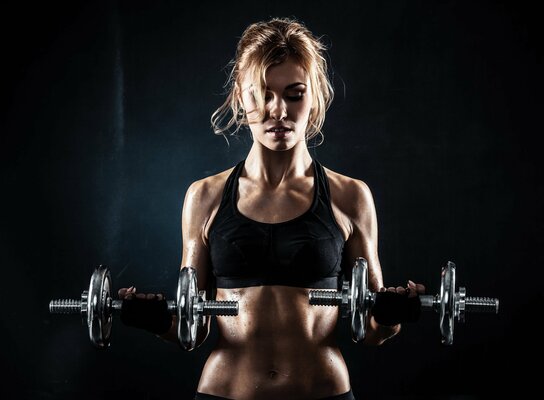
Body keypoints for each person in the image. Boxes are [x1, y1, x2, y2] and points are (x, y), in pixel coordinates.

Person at [119, 17, 425, 400]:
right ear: (238, 96)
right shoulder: (205, 197)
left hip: (323, 392)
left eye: (294, 94)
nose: (277, 110)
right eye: (262, 94)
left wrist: (394, 313)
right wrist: (155, 318)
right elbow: (191, 330)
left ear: (314, 97)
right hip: (224, 392)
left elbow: (373, 329)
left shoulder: (350, 197)